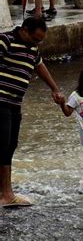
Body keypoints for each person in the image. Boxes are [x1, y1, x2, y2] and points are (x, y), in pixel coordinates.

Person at [0, 18, 64, 207]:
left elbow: (40, 66)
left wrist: (54, 89)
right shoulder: (6, 40)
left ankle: (6, 193)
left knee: (10, 146)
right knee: (1, 145)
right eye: (35, 39)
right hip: (1, 101)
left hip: (15, 103)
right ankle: (6, 194)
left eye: (40, 41)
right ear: (24, 30)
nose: (37, 43)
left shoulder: (32, 48)